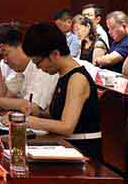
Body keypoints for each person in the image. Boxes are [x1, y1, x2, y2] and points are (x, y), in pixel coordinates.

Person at [17, 22, 101, 159]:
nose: (38, 68)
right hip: (65, 146)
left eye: (38, 62)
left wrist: (26, 120)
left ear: (55, 54)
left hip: (82, 151)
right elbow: (56, 114)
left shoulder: (77, 79)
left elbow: (66, 127)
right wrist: (37, 112)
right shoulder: (62, 75)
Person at [0, 23, 57, 114]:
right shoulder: (20, 71)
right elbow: (2, 97)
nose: (5, 61)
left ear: (21, 46)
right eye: (1, 57)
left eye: (6, 54)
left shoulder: (42, 67)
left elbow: (33, 106)